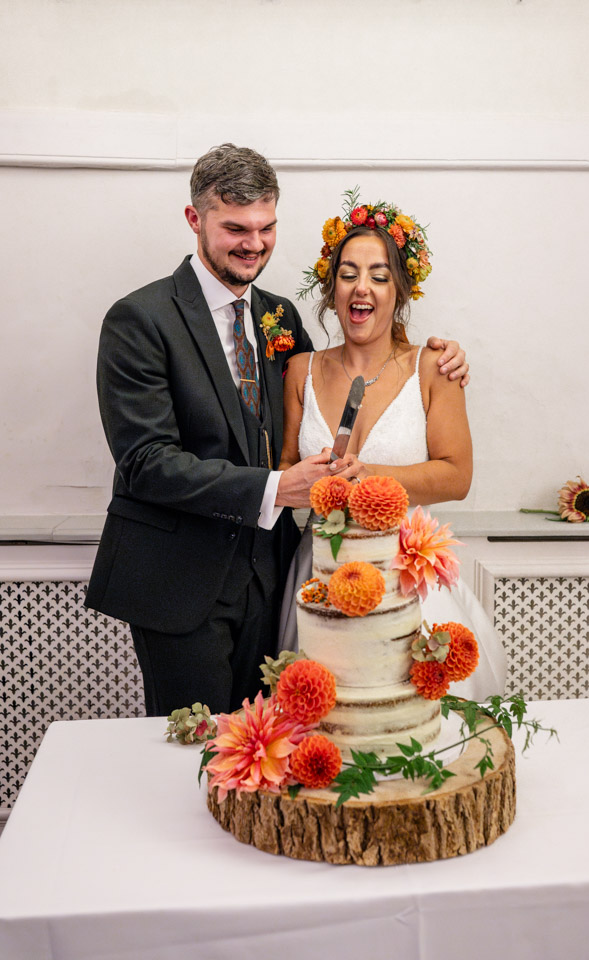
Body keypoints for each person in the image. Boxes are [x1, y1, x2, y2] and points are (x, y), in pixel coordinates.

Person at [85, 144, 470, 717]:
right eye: (235, 228)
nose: (254, 244)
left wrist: (446, 355)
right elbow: (144, 462)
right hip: (181, 583)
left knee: (271, 752)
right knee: (197, 760)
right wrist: (274, 489)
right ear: (195, 220)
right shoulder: (139, 320)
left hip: (276, 585)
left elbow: (331, 400)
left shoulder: (280, 318)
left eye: (266, 228)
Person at [278, 194, 506, 699]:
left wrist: (368, 476)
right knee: (331, 713)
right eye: (349, 274)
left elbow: (457, 476)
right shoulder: (300, 369)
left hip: (409, 573)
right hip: (320, 569)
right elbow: (283, 471)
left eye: (380, 276)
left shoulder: (433, 367)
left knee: (416, 715)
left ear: (400, 291)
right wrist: (309, 482)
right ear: (330, 287)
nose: (363, 288)